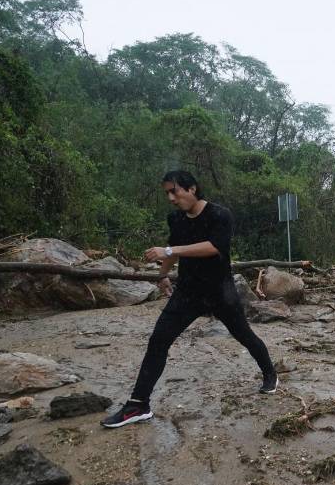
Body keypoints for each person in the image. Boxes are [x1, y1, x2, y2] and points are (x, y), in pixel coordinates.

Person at [101, 170, 278, 428]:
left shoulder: (220, 215)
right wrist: (162, 275)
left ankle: (270, 373)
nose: (171, 198)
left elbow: (213, 246)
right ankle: (138, 405)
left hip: (220, 292)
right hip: (188, 292)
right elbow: (174, 248)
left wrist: (170, 250)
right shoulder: (176, 219)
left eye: (175, 191)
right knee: (158, 340)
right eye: (167, 193)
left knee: (244, 335)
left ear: (192, 189)